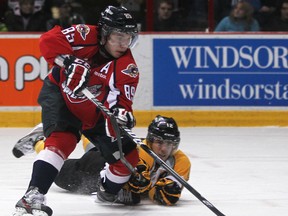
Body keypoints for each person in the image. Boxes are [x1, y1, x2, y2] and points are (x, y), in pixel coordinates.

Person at [13, 5, 140, 216]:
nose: (123, 43)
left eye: (128, 37)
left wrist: (121, 116)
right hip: (61, 96)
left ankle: (106, 190)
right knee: (63, 141)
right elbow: (47, 41)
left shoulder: (128, 68)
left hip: (95, 112)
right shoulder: (85, 34)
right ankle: (32, 197)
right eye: (118, 36)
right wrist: (68, 61)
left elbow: (122, 103)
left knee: (128, 158)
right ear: (104, 33)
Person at [12, 115, 191, 206]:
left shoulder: (181, 162)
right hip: (96, 168)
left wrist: (166, 190)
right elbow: (133, 190)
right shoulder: (140, 153)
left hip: (109, 163)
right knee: (57, 169)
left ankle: (82, 126)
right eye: (159, 142)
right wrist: (140, 185)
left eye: (169, 143)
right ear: (150, 140)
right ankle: (38, 142)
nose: (164, 149)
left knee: (98, 147)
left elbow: (162, 195)